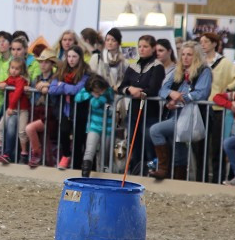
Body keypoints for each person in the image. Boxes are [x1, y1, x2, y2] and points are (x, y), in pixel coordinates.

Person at [148, 41, 213, 181]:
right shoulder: (178, 70)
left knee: (155, 130)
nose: (185, 57)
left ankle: (163, 169)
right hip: (176, 115)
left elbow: (201, 93)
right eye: (183, 54)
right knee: (179, 151)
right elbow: (163, 89)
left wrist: (178, 99)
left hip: (195, 116)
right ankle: (177, 179)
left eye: (189, 54)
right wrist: (172, 94)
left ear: (196, 56)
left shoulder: (204, 71)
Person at [200, 31, 235, 183]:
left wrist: (228, 89)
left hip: (218, 108)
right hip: (201, 106)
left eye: (206, 41)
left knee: (216, 147)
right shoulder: (199, 61)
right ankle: (201, 179)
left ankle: (217, 180)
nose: (203, 44)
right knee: (201, 146)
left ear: (214, 43)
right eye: (201, 42)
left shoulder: (225, 62)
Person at [117, 34, 162, 174]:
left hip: (150, 113)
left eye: (146, 47)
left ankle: (149, 173)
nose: (142, 49)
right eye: (140, 46)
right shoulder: (133, 66)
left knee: (149, 146)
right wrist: (130, 89)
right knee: (133, 145)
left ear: (153, 48)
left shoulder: (157, 67)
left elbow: (153, 89)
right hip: (134, 112)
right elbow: (121, 87)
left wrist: (139, 92)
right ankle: (134, 173)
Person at [47, 45, 90, 170]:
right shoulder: (61, 71)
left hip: (81, 111)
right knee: (64, 131)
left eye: (74, 57)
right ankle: (66, 156)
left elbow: (76, 90)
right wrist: (65, 87)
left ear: (80, 58)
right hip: (67, 110)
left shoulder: (85, 73)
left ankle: (77, 166)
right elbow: (52, 89)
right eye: (69, 56)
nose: (71, 59)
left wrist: (62, 85)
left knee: (79, 139)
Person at [0, 57, 31, 165]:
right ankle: (0, 147)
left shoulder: (21, 80)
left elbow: (17, 93)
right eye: (12, 68)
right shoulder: (11, 78)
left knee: (21, 132)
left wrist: (10, 107)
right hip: (13, 109)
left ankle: (24, 153)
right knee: (1, 125)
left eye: (17, 69)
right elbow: (5, 82)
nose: (14, 70)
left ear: (21, 70)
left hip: (22, 110)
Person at [74, 74, 113, 178]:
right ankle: (85, 175)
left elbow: (97, 103)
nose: (100, 92)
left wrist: (95, 97)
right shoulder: (90, 92)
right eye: (96, 90)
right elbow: (77, 98)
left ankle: (102, 175)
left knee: (104, 154)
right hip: (94, 126)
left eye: (100, 90)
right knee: (89, 150)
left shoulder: (108, 91)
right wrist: (90, 94)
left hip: (108, 128)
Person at [91, 28, 127, 93]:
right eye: (107, 40)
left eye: (113, 40)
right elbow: (91, 77)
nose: (110, 43)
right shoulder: (97, 58)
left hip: (117, 95)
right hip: (100, 94)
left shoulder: (123, 61)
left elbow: (125, 80)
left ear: (118, 43)